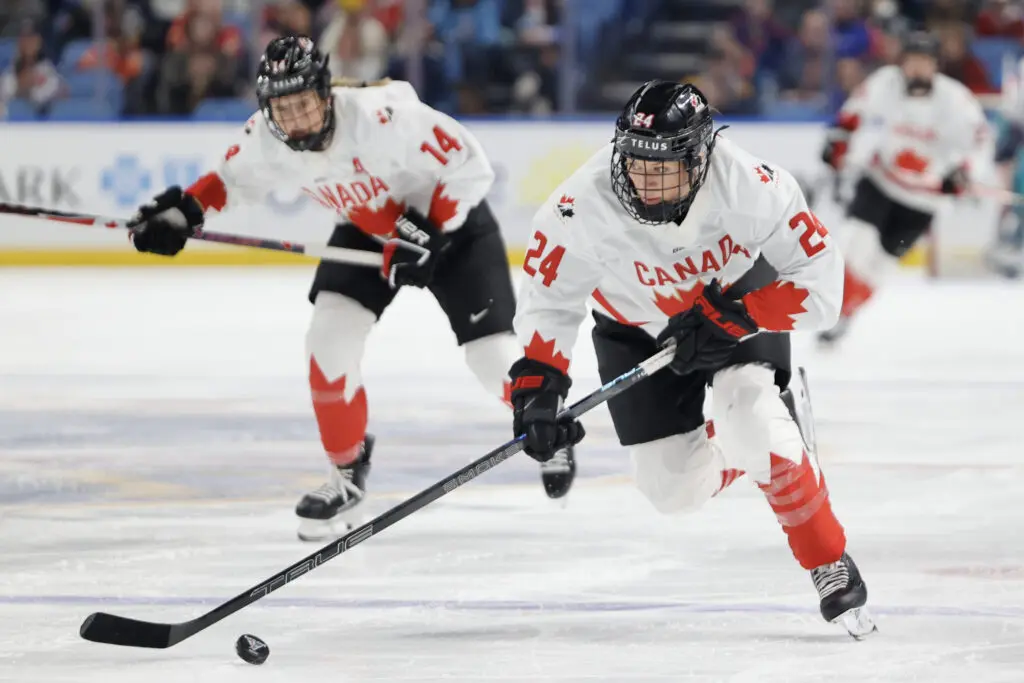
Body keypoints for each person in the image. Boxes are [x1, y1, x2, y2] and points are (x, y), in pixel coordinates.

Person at [126, 36, 577, 542]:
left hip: (453, 229)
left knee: (492, 359)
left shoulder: (384, 117)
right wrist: (180, 214)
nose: (296, 119)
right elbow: (229, 181)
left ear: (325, 93)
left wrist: (428, 230)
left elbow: (472, 166)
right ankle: (346, 473)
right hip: (369, 233)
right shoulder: (268, 139)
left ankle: (550, 425)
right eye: (283, 108)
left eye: (304, 103)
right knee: (328, 341)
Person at [506, 79, 876, 638]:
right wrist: (538, 389)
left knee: (752, 421)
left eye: (665, 168)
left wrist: (741, 313)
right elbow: (549, 299)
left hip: (733, 306)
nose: (646, 184)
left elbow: (823, 288)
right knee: (672, 491)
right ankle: (757, 446)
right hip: (633, 328)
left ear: (701, 155)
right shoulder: (578, 204)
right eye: (635, 164)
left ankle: (826, 555)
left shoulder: (751, 184)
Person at [819, 30, 993, 342]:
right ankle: (830, 309)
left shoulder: (956, 100)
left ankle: (846, 313)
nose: (916, 69)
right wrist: (839, 141)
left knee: (878, 269)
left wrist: (964, 173)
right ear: (902, 63)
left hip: (923, 202)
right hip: (880, 182)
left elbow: (980, 143)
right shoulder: (885, 82)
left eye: (924, 62)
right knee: (854, 243)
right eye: (911, 62)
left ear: (935, 65)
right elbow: (852, 115)